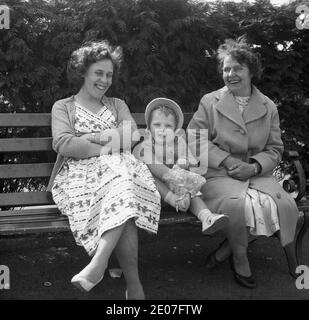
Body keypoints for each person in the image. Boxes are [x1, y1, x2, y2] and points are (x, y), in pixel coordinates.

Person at [47, 40, 161, 299]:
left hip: (121, 172)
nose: (105, 80)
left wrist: (91, 138)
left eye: (109, 74)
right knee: (124, 191)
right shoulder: (63, 106)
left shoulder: (117, 104)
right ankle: (133, 285)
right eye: (98, 73)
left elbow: (132, 135)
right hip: (80, 176)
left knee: (121, 184)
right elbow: (64, 143)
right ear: (83, 72)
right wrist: (112, 142)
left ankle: (99, 265)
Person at [187, 37, 299, 288]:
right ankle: (239, 256)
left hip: (257, 175)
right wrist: (225, 160)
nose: (230, 74)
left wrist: (255, 166)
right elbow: (194, 139)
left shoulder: (268, 106)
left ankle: (225, 249)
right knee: (238, 206)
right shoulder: (209, 101)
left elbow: (274, 149)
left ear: (251, 72)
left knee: (281, 206)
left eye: (237, 68)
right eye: (226, 69)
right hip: (218, 173)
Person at [133, 97, 228, 235]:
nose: (162, 130)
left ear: (176, 130)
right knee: (147, 174)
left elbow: (192, 160)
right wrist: (176, 177)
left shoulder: (180, 143)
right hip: (155, 193)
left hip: (177, 188)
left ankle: (207, 217)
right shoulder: (145, 147)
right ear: (148, 129)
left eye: (168, 126)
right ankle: (174, 200)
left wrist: (183, 163)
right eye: (157, 125)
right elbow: (155, 168)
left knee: (192, 192)